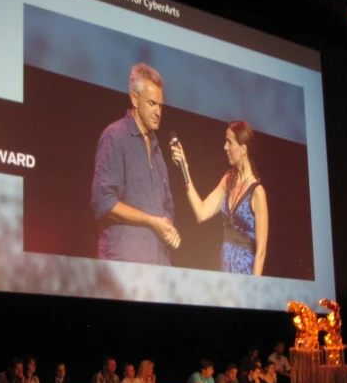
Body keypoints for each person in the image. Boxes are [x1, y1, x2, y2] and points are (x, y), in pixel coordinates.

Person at [91, 63, 180, 265]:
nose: (158, 111)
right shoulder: (115, 137)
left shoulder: (158, 151)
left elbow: (168, 208)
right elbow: (104, 203)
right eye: (152, 104)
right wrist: (152, 221)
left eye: (160, 105)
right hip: (126, 264)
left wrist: (167, 226)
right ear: (134, 98)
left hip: (158, 263)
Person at [171, 120, 268, 275]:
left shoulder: (257, 193)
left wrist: (254, 290)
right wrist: (185, 168)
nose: (225, 147)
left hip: (245, 273)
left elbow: (261, 251)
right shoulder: (228, 180)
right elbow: (201, 213)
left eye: (229, 142)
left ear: (243, 149)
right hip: (224, 268)